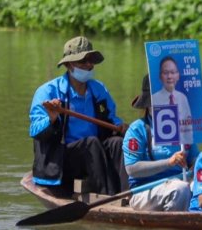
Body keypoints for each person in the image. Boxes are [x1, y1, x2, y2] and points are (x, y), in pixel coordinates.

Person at [29, 36, 128, 196]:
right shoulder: (47, 92)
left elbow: (112, 122)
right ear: (69, 65)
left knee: (118, 143)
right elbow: (35, 131)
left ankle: (127, 194)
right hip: (63, 158)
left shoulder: (99, 90)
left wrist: (122, 128)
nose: (88, 65)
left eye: (91, 61)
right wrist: (51, 118)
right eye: (83, 61)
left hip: (96, 154)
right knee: (91, 143)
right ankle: (105, 196)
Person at [122, 75, 198, 211]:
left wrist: (199, 165)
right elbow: (132, 169)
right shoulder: (137, 129)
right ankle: (173, 226)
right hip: (145, 189)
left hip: (182, 180)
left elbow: (195, 159)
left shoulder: (184, 127)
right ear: (148, 105)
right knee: (180, 189)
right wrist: (169, 162)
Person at [150, 56, 193, 144]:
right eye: (165, 73)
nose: (169, 76)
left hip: (182, 146)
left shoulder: (183, 98)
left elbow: (188, 127)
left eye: (173, 72)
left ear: (178, 75)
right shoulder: (153, 99)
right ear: (160, 76)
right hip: (161, 147)